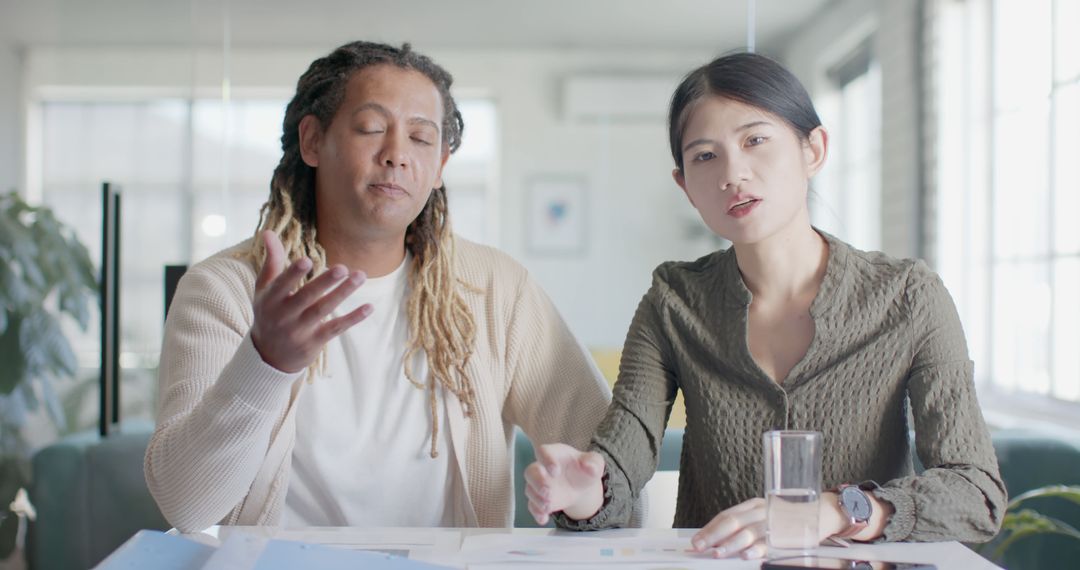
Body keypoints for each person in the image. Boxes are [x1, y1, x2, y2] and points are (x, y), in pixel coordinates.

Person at [523, 52, 1006, 559]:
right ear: (685, 187)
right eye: (705, 156)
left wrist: (840, 510)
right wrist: (584, 493)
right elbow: (625, 453)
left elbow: (976, 493)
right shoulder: (673, 302)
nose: (733, 173)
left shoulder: (910, 297)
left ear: (813, 149)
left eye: (755, 140)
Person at [145, 40, 613, 533]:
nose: (396, 155)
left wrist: (586, 496)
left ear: (440, 168)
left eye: (420, 137)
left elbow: (616, 474)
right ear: (311, 142)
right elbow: (186, 506)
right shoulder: (224, 290)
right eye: (371, 128)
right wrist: (264, 362)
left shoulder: (497, 291)